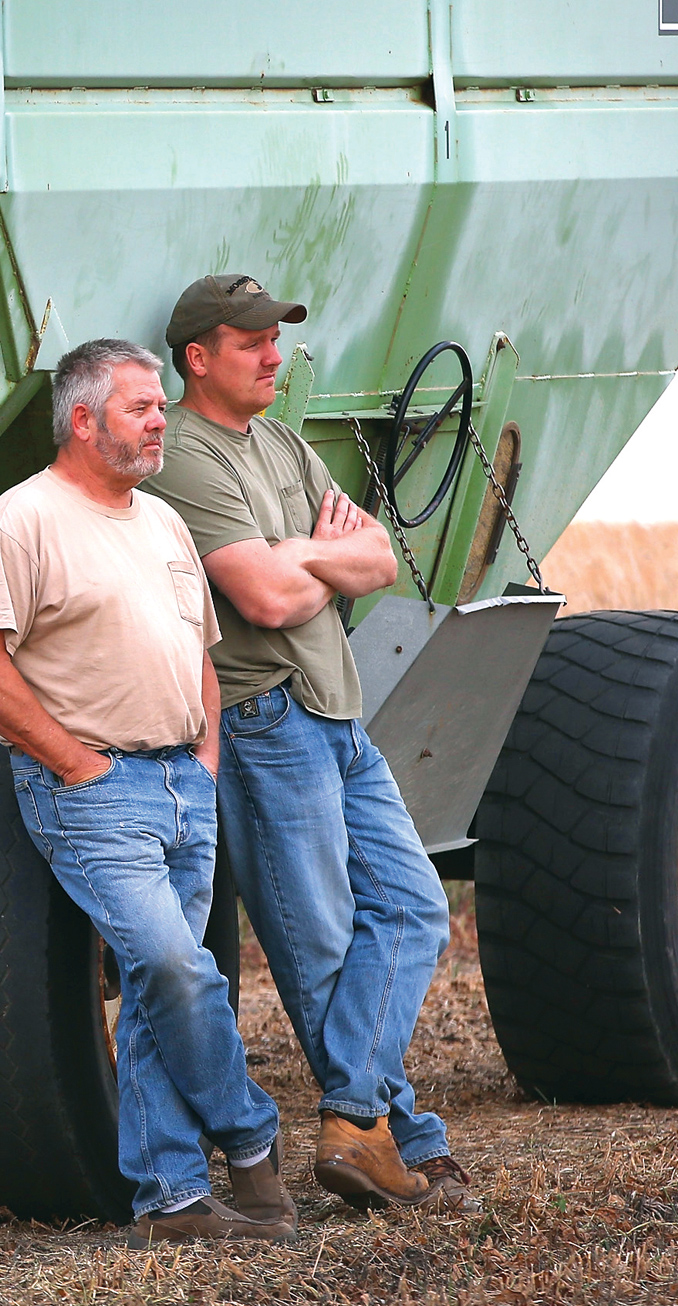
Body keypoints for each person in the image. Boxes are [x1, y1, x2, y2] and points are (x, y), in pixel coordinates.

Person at [0, 337, 295, 1244]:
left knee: (154, 989)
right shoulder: (20, 522)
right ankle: (251, 1140)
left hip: (185, 782)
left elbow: (200, 654)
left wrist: (206, 757)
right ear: (82, 419)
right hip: (95, 791)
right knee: (177, 967)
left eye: (159, 407)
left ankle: (170, 1199)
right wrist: (76, 765)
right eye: (141, 407)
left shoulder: (164, 522)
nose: (159, 422)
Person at [142, 275, 476, 1211]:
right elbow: (264, 598)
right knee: (320, 947)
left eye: (274, 337)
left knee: (414, 908)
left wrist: (304, 559)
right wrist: (316, 561)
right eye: (251, 341)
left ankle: (358, 1120)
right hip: (267, 719)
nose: (273, 354)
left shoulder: (284, 444)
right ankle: (396, 1137)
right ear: (198, 357)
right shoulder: (184, 458)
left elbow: (382, 559)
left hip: (339, 713)